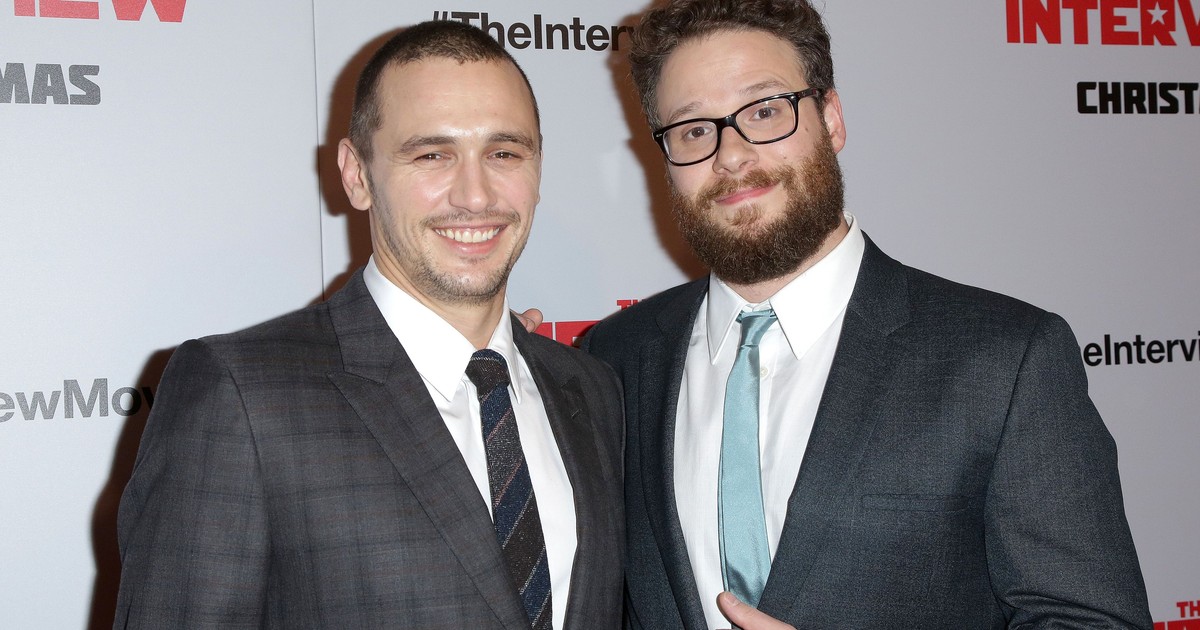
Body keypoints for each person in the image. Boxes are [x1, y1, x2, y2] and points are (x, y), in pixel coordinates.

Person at [580, 0, 1153, 628]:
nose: (732, 156)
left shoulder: (1004, 359)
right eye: (693, 129)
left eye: (765, 111)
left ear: (831, 119)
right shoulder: (613, 359)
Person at [113, 20, 624, 629]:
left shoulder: (590, 389)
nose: (476, 195)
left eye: (504, 153)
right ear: (357, 174)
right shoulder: (241, 397)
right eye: (432, 155)